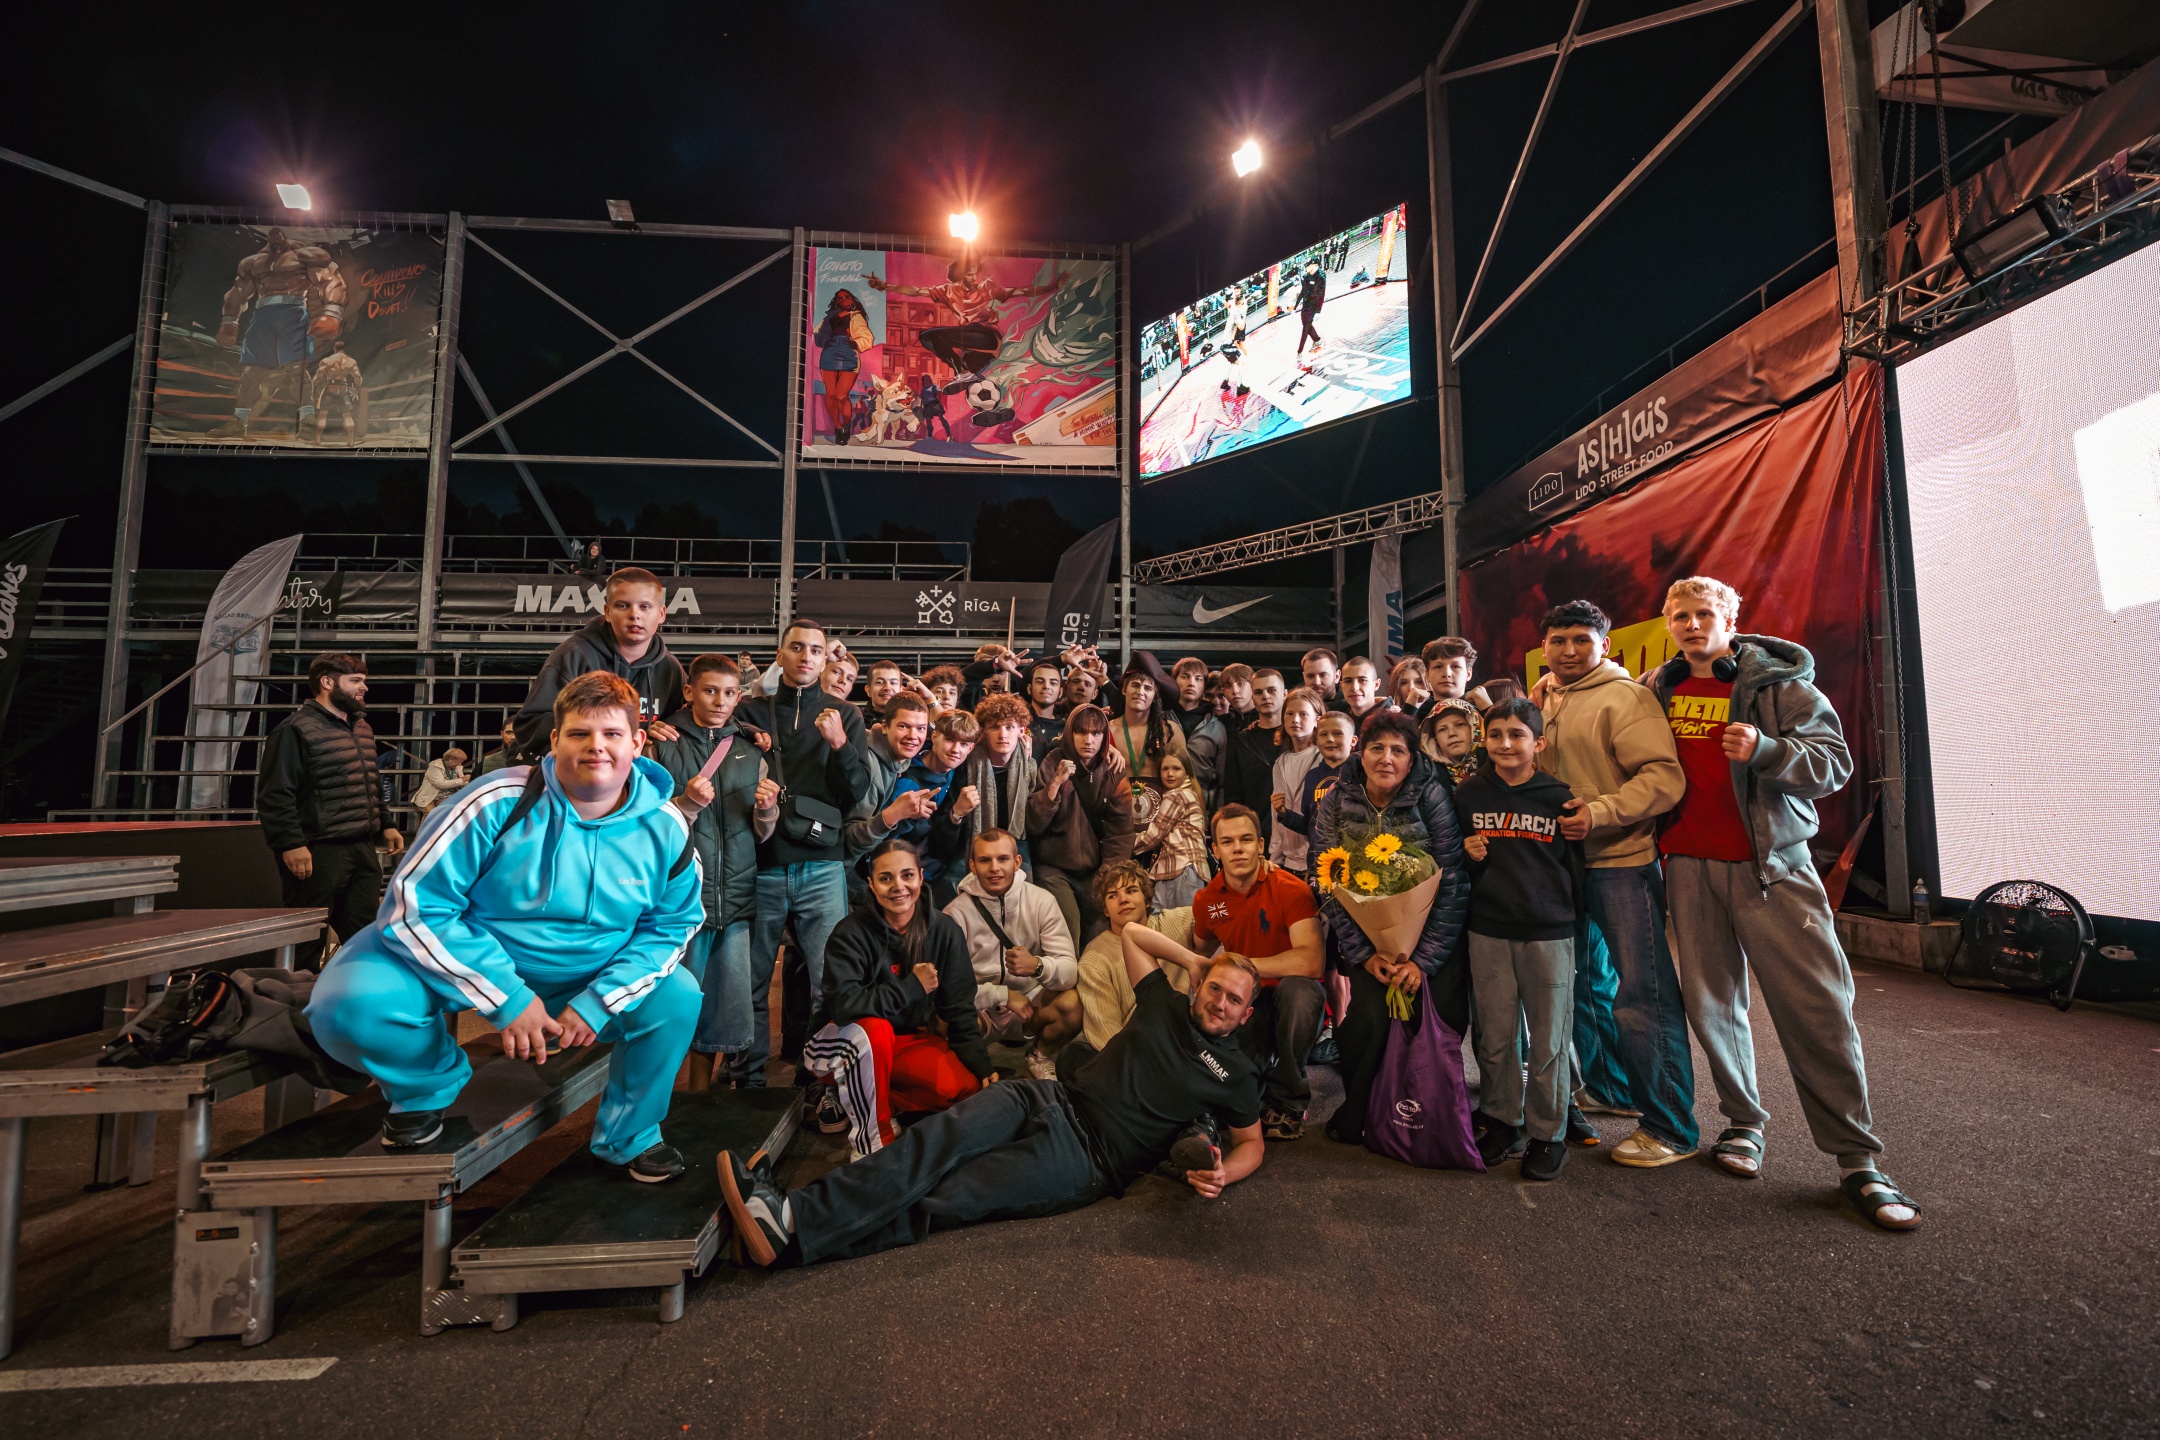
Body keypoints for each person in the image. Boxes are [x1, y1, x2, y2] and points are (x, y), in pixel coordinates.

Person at [308, 672, 702, 1181]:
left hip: (587, 971)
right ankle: (423, 1090)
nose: (596, 746)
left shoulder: (667, 827)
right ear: (554, 740)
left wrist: (601, 1000)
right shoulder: (495, 800)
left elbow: (671, 927)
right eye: (579, 733)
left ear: (637, 742)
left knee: (677, 997)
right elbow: (415, 907)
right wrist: (508, 997)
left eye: (611, 733)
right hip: (475, 953)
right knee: (348, 1002)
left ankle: (632, 1134)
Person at [720, 918, 1267, 1269]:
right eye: (1215, 988)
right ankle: (788, 1216)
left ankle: (789, 1231)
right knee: (930, 1144)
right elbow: (1132, 935)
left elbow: (1252, 1144)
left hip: (1085, 1159)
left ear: (1246, 1014)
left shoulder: (1236, 1074)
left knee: (948, 1194)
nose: (1219, 1003)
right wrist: (1195, 961)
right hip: (1050, 1098)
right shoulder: (1166, 1003)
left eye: (1233, 1000)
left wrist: (1226, 1174)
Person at [1649, 578, 1918, 1229]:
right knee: (1713, 1009)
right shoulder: (1658, 688)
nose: (1692, 625)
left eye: (1704, 614)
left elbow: (1835, 763)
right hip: (1689, 868)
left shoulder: (1778, 684)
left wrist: (1768, 750)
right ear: (1668, 623)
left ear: (1730, 620)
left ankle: (1858, 1160)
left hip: (1773, 869)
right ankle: (1743, 1124)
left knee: (1817, 1008)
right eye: (1680, 616)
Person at [1534, 599, 1695, 1168]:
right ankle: (1613, 1089)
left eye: (1582, 639)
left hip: (1621, 862)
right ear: (1544, 648)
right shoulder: (1544, 696)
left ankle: (1671, 1126)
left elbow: (1664, 779)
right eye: (1559, 641)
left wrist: (1600, 812)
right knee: (1583, 986)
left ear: (1605, 646)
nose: (1569, 650)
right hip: (1561, 867)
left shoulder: (1625, 698)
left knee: (1643, 995)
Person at [1312, 709, 1471, 1147]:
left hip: (1432, 936)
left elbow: (1452, 880)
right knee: (1366, 1022)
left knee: (1435, 1020)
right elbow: (1325, 878)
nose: (1386, 758)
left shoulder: (1431, 795)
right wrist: (1365, 954)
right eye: (1376, 748)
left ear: (1411, 758)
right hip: (1368, 940)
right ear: (1360, 753)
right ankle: (1363, 1108)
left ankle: (1427, 1112)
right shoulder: (1336, 799)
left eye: (1398, 750)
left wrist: (1422, 961)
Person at [737, 618, 875, 1090]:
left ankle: (818, 1081)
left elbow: (856, 792)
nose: (806, 657)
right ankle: (748, 1079)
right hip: (761, 864)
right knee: (751, 984)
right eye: (796, 648)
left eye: (815, 650)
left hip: (822, 864)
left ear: (824, 659)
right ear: (780, 655)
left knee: (828, 983)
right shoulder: (750, 711)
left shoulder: (846, 715)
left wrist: (840, 745)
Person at [1454, 700, 1587, 1179]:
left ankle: (1548, 1134)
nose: (1505, 744)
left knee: (1549, 1040)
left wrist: (1573, 925)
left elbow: (1577, 870)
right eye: (1495, 735)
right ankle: (1502, 1119)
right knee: (1494, 1036)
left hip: (1548, 933)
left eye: (1516, 735)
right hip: (1488, 929)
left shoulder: (1559, 798)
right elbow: (1455, 864)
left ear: (1538, 743)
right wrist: (1466, 854)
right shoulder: (1469, 794)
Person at [805, 840, 995, 1158]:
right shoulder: (850, 933)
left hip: (904, 1041)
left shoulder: (944, 930)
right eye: (886, 878)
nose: (898, 886)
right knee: (875, 1031)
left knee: (965, 1089)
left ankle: (864, 1097)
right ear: (871, 884)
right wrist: (911, 987)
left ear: (921, 876)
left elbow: (960, 1010)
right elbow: (844, 1007)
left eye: (907, 875)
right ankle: (871, 1144)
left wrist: (981, 1066)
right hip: (837, 1045)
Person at [649, 655, 783, 1089]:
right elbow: (645, 826)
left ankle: (698, 1097)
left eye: (729, 693)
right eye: (709, 691)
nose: (720, 701)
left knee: (719, 1012)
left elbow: (761, 834)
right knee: (668, 1008)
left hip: (735, 899)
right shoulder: (661, 745)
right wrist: (685, 804)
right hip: (679, 901)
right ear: (689, 692)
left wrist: (767, 809)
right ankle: (655, 1099)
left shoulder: (749, 749)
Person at [256, 653, 407, 968]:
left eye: (363, 680)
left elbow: (369, 780)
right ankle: (299, 997)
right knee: (307, 942)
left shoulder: (361, 726)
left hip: (360, 846)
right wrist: (290, 843)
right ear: (327, 682)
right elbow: (275, 794)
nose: (364, 687)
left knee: (367, 937)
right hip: (319, 849)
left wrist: (386, 824)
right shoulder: (295, 729)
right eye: (356, 680)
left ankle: (357, 995)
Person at [1190, 803, 1325, 1141]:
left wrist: (1242, 965)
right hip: (1247, 1003)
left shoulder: (1291, 888)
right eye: (1228, 841)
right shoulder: (1208, 900)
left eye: (1246, 839)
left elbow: (1311, 962)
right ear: (1215, 849)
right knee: (1232, 1079)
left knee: (1299, 993)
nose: (1237, 848)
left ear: (1261, 845)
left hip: (1290, 995)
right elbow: (1200, 947)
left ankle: (1288, 1101)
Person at [510, 567, 685, 762]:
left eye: (645, 607)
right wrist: (592, 731)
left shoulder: (671, 669)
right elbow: (529, 725)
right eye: (623, 606)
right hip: (570, 769)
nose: (634, 614)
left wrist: (666, 728)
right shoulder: (575, 655)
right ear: (607, 612)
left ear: (661, 614)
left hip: (633, 771)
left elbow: (688, 725)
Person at [945, 829, 1080, 1080]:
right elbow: (947, 990)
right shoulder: (955, 914)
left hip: (1030, 1004)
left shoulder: (1042, 901)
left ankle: (1039, 1055)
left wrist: (1038, 966)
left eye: (1003, 859)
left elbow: (1070, 971)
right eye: (985, 860)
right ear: (972, 865)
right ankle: (973, 1068)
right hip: (980, 1009)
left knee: (1073, 1003)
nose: (994, 868)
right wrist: (1002, 995)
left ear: (1017, 862)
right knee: (942, 1020)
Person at [1025, 704, 1136, 943]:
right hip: (1054, 867)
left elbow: (1121, 832)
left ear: (1104, 736)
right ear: (1069, 733)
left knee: (1099, 937)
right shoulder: (1053, 761)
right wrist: (1054, 785)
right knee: (1068, 931)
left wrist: (1108, 878)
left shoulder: (1113, 769)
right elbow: (1033, 823)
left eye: (1096, 733)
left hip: (1095, 869)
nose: (1088, 740)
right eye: (1081, 732)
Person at [1073, 861, 1196, 1050]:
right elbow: (1107, 1035)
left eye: (1131, 891)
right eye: (1112, 895)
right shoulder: (1094, 960)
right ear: (1105, 909)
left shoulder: (1175, 923)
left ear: (1147, 899)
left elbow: (1215, 908)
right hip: (1135, 1050)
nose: (1123, 899)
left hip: (1184, 1039)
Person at [844, 692, 937, 891]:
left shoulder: (897, 760)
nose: (913, 736)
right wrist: (894, 814)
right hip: (836, 870)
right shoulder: (870, 765)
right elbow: (850, 840)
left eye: (921, 728)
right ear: (885, 726)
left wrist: (907, 815)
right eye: (904, 726)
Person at [1108, 651, 1189, 831]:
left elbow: (1188, 782)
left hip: (1164, 823)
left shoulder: (1170, 731)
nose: (1140, 692)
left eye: (1148, 688)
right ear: (1124, 690)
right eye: (1135, 685)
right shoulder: (1107, 731)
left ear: (1154, 696)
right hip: (1118, 823)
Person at [949, 694, 1037, 857]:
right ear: (983, 731)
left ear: (1021, 730)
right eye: (995, 727)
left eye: (1009, 727)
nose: (1002, 735)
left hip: (1016, 841)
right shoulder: (966, 764)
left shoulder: (1029, 763)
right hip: (971, 843)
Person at [1274, 707, 1357, 855]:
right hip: (1318, 858)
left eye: (1337, 733)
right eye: (1323, 734)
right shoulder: (1312, 776)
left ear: (1353, 740)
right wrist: (1284, 814)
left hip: (1354, 855)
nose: (1330, 739)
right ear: (1317, 740)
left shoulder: (1360, 774)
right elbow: (1309, 824)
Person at [1136, 749, 1212, 909]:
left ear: (1187, 772)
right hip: (1187, 872)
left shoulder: (1177, 796)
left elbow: (1153, 836)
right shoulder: (1190, 794)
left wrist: (1125, 843)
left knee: (1173, 922)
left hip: (1181, 870)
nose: (1170, 774)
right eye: (1165, 769)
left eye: (1176, 768)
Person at [1219, 666, 1285, 847]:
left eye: (1271, 690)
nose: (1265, 696)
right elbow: (1233, 794)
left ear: (1284, 694)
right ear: (1252, 696)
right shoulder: (1240, 740)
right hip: (1256, 833)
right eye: (1258, 692)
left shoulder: (1297, 737)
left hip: (1296, 832)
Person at [1268, 687, 1326, 877]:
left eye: (1303, 714)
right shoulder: (1281, 762)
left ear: (1317, 719)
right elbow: (1277, 813)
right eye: (1290, 714)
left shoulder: (1323, 757)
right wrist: (1275, 858)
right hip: (1289, 860)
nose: (1295, 719)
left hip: (1317, 859)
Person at [814, 288, 871, 444]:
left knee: (841, 395)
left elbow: (865, 336)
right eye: (839, 298)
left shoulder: (856, 316)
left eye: (847, 297)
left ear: (852, 300)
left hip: (848, 352)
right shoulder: (829, 317)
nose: (843, 299)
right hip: (830, 351)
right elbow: (819, 334)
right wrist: (825, 340)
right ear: (836, 301)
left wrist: (855, 343)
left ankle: (846, 424)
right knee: (831, 394)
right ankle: (838, 427)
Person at [1168, 656, 1227, 804]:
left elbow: (1221, 779)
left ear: (1204, 686)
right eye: (1185, 677)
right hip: (1164, 800)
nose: (1191, 683)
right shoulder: (1161, 718)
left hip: (1202, 803)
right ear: (1174, 681)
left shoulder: (1217, 726)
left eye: (1198, 679)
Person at [1422, 698, 1484, 791]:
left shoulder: (1497, 766)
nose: (1451, 733)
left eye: (1459, 725)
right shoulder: (1426, 778)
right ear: (1436, 740)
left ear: (1474, 728)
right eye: (1442, 729)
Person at [1420, 637, 1491, 717]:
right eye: (1438, 667)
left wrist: (1487, 709)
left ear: (1468, 674)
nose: (1447, 674)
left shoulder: (1483, 709)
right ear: (1427, 674)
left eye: (1456, 667)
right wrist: (1410, 709)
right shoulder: (1416, 713)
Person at [1024, 660, 1066, 760]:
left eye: (1053, 683)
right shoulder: (1017, 721)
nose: (1046, 686)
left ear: (1060, 692)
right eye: (1039, 682)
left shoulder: (1067, 727)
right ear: (1029, 689)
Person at [410, 747, 470, 815]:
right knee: (431, 815)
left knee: (457, 811)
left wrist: (467, 782)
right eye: (459, 761)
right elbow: (440, 784)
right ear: (450, 759)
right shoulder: (435, 766)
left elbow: (461, 782)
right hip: (430, 798)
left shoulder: (457, 767)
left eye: (461, 762)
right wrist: (462, 779)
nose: (460, 764)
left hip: (447, 797)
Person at [1338, 656, 1393, 724]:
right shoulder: (1339, 723)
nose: (1355, 688)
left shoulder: (1393, 721)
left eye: (1362, 680)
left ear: (1376, 684)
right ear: (1341, 686)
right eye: (1348, 681)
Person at [1294, 256, 1327, 358]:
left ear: (1314, 265)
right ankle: (1317, 340)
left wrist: (1318, 311)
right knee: (1305, 324)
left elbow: (1321, 295)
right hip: (1306, 304)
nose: (1306, 268)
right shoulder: (1306, 276)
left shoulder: (1321, 277)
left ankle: (1299, 352)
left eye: (1308, 266)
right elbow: (1303, 292)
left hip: (1314, 306)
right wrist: (1295, 307)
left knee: (1305, 328)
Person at [1301, 647, 1349, 713]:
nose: (1316, 682)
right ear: (1304, 677)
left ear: (1337, 676)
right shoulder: (1296, 707)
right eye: (1310, 676)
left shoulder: (1351, 707)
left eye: (1323, 675)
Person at [862, 660, 909, 728]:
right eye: (880, 682)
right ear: (868, 690)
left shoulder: (910, 720)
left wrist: (926, 698)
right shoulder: (856, 720)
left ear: (901, 690)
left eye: (893, 683)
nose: (887, 688)